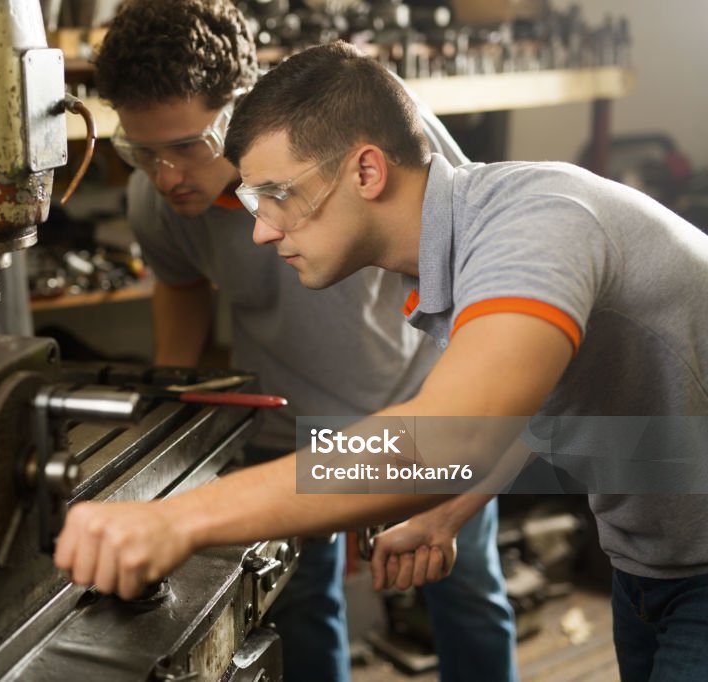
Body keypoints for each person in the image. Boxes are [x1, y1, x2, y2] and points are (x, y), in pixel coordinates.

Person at [57, 39, 708, 681]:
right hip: (648, 569)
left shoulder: (535, 227)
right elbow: (542, 401)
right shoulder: (456, 255)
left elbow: (452, 437)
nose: (260, 229)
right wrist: (446, 510)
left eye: (276, 195)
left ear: (366, 171)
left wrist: (177, 519)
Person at [89, 3, 517, 681]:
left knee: (464, 592)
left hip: (416, 411)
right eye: (142, 151)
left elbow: (480, 258)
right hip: (287, 431)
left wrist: (457, 437)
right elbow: (180, 286)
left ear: (238, 105)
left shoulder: (361, 131)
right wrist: (174, 412)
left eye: (185, 146)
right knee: (299, 606)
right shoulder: (161, 206)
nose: (167, 175)